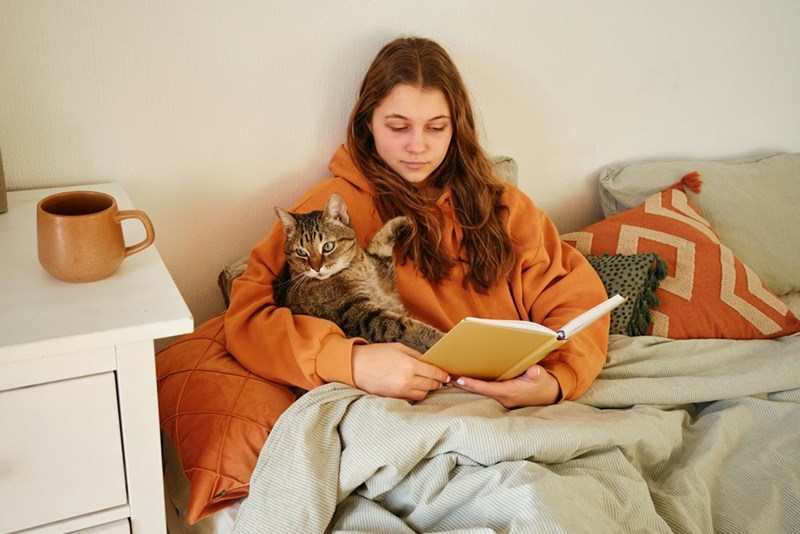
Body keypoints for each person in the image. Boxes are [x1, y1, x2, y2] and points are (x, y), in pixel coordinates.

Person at [224, 36, 609, 407]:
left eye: (436, 127)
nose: (418, 146)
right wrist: (351, 362)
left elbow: (575, 296)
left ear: (456, 127)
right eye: (398, 127)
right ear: (367, 123)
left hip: (517, 401)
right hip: (414, 408)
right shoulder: (328, 212)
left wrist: (557, 382)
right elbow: (248, 320)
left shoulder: (504, 204)